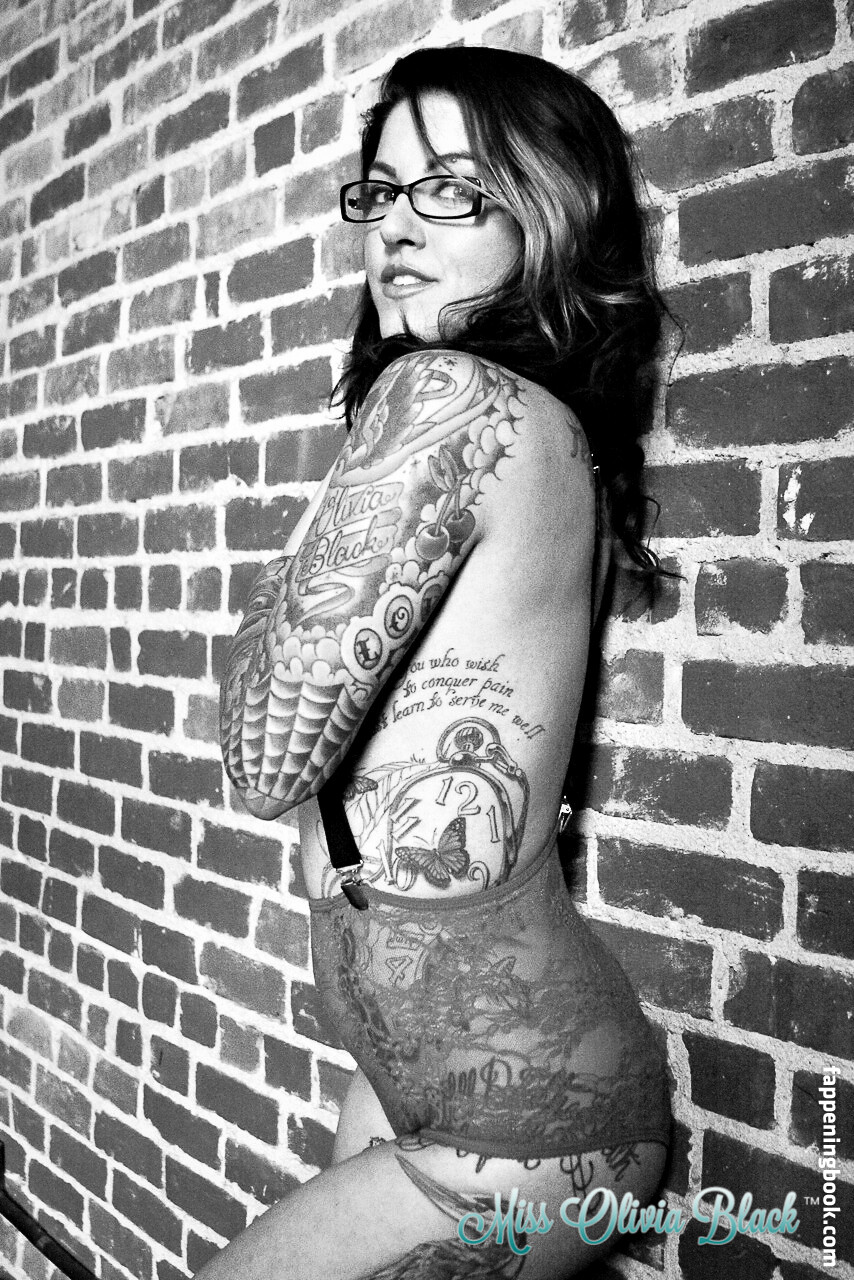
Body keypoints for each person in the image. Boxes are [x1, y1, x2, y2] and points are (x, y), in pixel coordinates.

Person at [208, 45, 671, 1280]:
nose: (397, 226)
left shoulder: (447, 394)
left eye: (454, 189)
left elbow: (262, 757)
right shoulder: (541, 427)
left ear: (545, 215)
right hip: (423, 1077)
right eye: (382, 189)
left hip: (519, 1119)